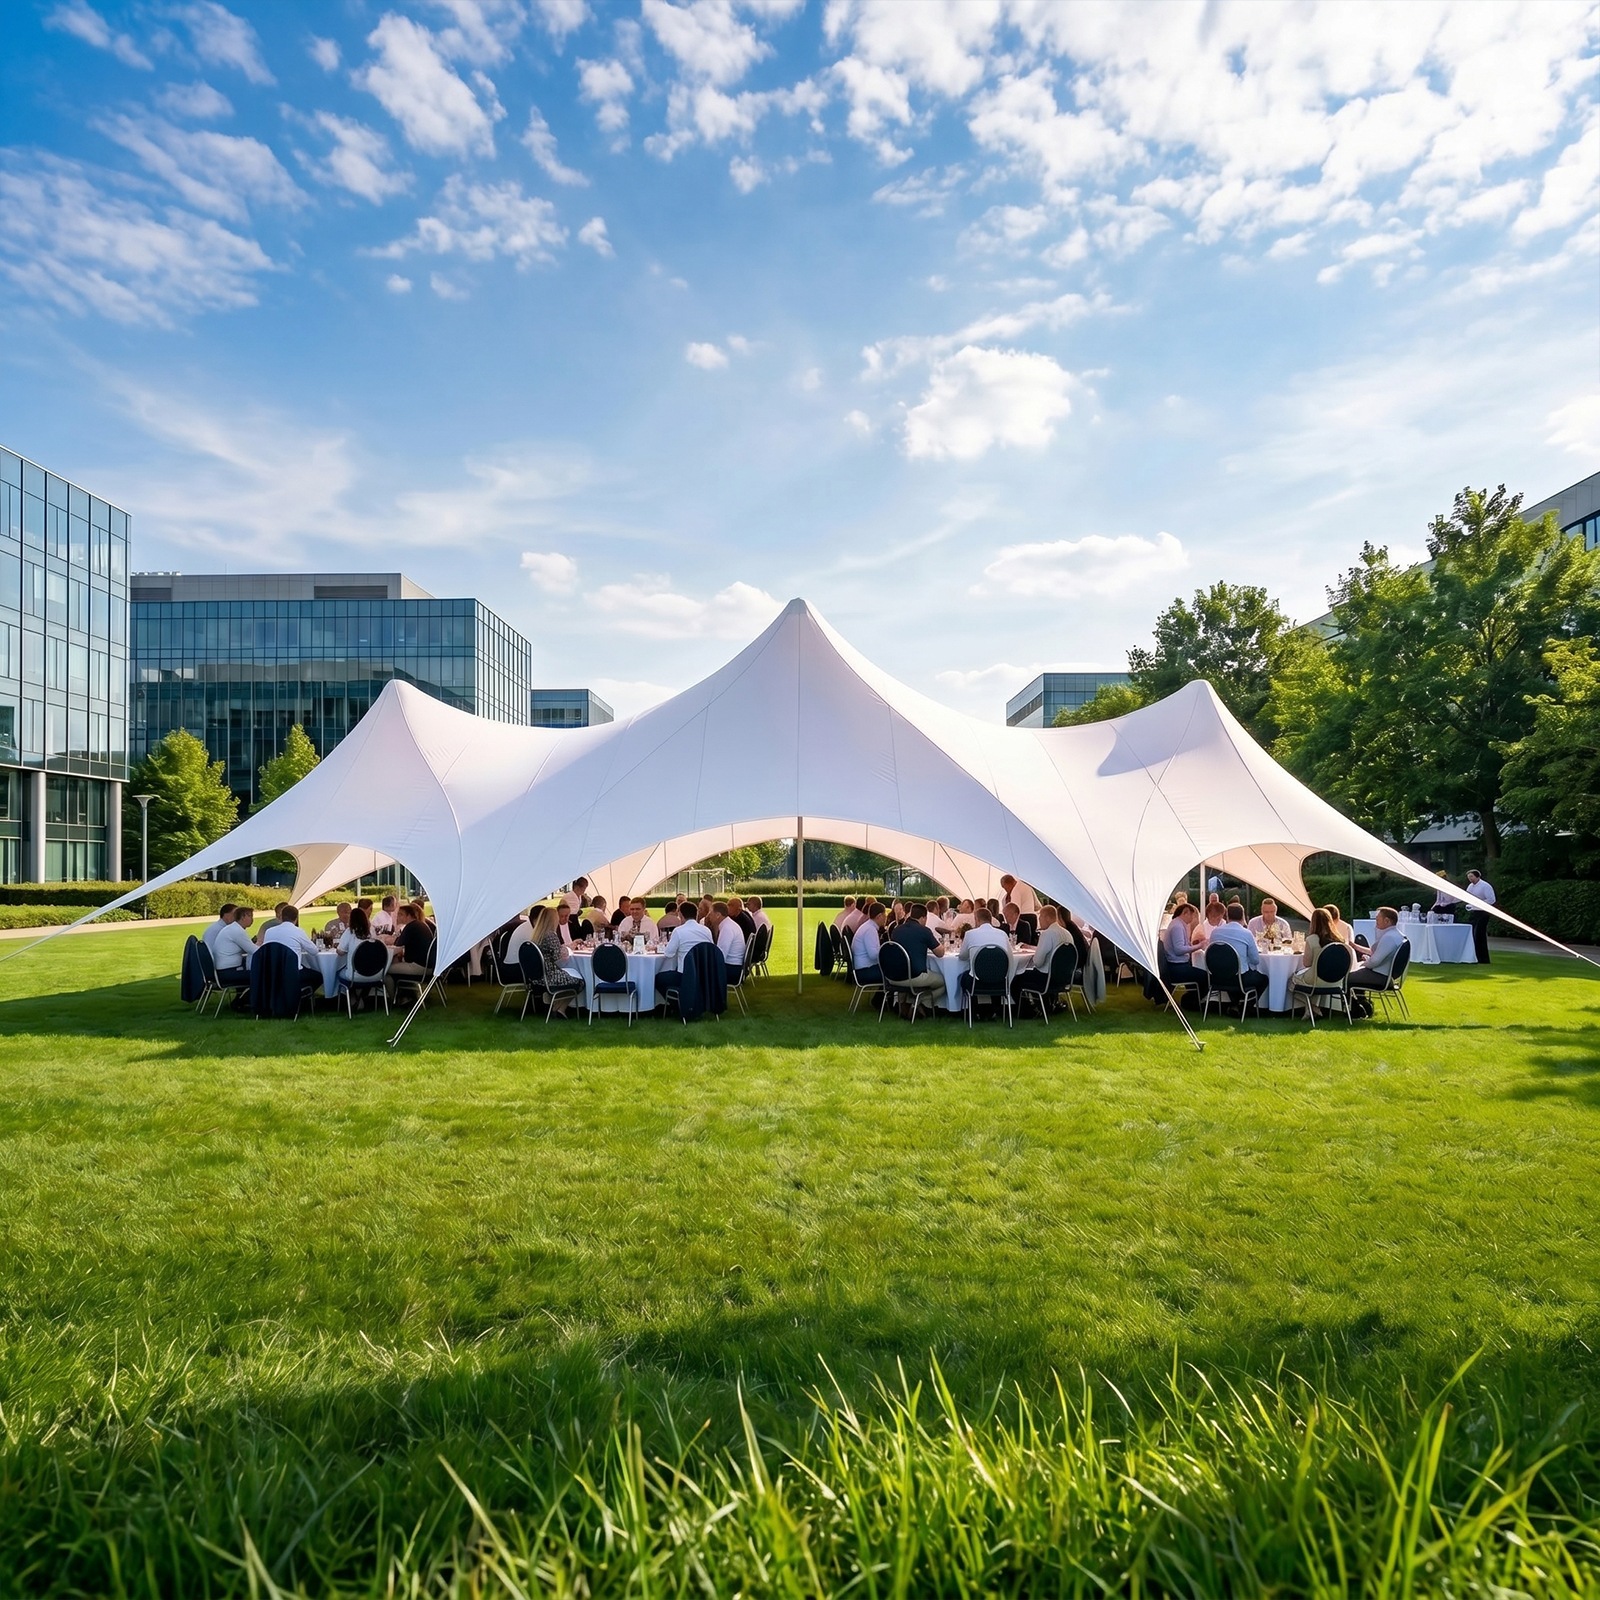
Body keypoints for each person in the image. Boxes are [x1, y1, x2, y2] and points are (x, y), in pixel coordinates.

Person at [525, 904, 583, 1016]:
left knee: (572, 977)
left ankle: (556, 1007)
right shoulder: (551, 935)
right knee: (579, 981)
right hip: (549, 977)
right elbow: (557, 958)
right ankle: (560, 1008)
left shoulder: (537, 935)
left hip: (536, 977)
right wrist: (566, 950)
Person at [889, 902, 947, 1013]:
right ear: (923, 918)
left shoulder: (897, 930)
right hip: (914, 976)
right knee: (943, 982)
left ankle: (908, 1003)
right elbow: (940, 953)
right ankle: (919, 1002)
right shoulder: (924, 931)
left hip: (893, 976)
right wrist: (944, 944)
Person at [1205, 905, 1269, 1002]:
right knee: (1263, 979)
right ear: (1243, 916)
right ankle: (1246, 1007)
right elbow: (1255, 960)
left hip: (1216, 977)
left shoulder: (1215, 932)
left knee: (1233, 970)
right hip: (1238, 978)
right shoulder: (1246, 933)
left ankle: (1234, 1004)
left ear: (1227, 917)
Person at [656, 902, 714, 1007]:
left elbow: (668, 953)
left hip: (685, 974)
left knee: (657, 979)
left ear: (681, 915)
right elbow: (711, 949)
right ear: (696, 914)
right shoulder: (706, 930)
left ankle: (675, 1004)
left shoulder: (679, 931)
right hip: (704, 972)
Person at [1012, 904, 1070, 1008]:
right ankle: (1045, 1004)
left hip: (1047, 977)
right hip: (1063, 977)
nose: (1039, 920)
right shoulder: (1067, 934)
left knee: (1016, 977)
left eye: (1040, 917)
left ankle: (1025, 1009)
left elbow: (1038, 962)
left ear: (1047, 918)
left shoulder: (1047, 934)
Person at [1349, 907, 1405, 993]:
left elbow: (1375, 961)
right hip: (1386, 975)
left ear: (1387, 921)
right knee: (1352, 975)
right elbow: (1377, 954)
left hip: (1380, 976)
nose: (1376, 925)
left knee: (1344, 977)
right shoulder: (1397, 935)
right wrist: (1356, 947)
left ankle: (1352, 1004)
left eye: (1377, 920)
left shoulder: (1389, 937)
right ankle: (1357, 1002)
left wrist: (1361, 964)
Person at [1158, 903, 1208, 992]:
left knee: (1199, 974)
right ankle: (1200, 1000)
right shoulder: (1177, 926)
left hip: (1175, 966)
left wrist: (1193, 945)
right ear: (1186, 912)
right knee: (1205, 976)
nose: (1193, 918)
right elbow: (1179, 950)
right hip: (1177, 968)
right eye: (1192, 915)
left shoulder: (1177, 924)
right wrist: (1199, 946)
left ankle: (1193, 998)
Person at [1292, 907, 1338, 1001]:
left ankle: (1311, 1007)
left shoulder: (1312, 939)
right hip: (1336, 978)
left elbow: (1307, 963)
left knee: (1291, 981)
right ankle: (1312, 1008)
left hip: (1317, 978)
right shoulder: (1339, 940)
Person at [260, 903, 320, 968]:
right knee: (318, 975)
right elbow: (314, 951)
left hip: (273, 971)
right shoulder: (298, 931)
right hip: (292, 971)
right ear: (296, 918)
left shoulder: (269, 931)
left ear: (281, 917)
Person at [212, 905, 256, 977]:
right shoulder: (237, 930)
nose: (252, 919)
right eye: (250, 916)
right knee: (260, 975)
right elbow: (253, 950)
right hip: (228, 972)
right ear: (243, 917)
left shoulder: (233, 928)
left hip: (225, 969)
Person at [709, 900, 746, 980]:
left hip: (732, 970)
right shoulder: (729, 925)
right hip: (735, 967)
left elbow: (721, 955)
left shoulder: (727, 929)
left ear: (718, 915)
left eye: (711, 913)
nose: (709, 916)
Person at [1465, 869, 1495, 963]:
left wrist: (1478, 904)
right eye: (1469, 877)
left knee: (1479, 934)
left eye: (1472, 877)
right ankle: (1474, 956)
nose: (1470, 879)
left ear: (1477, 876)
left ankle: (1483, 958)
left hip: (1483, 912)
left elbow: (1491, 899)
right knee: (1471, 933)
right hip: (1475, 912)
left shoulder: (1485, 886)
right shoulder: (1470, 886)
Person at [851, 903, 886, 985]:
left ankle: (882, 997)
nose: (885, 918)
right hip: (865, 971)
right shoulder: (870, 930)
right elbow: (873, 955)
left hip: (862, 969)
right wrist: (887, 955)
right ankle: (888, 997)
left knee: (891, 970)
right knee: (895, 972)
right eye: (885, 915)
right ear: (879, 916)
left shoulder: (867, 927)